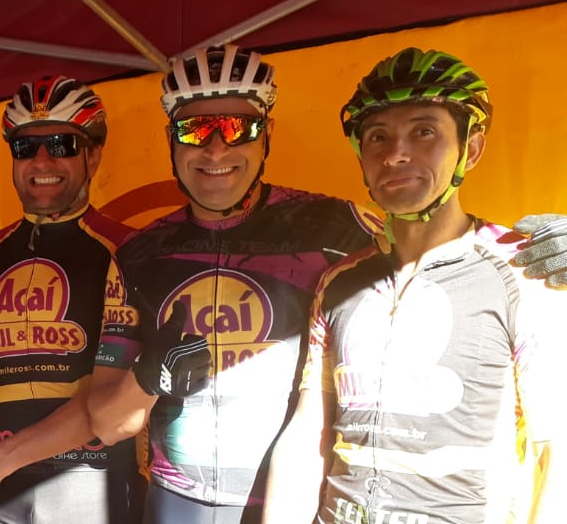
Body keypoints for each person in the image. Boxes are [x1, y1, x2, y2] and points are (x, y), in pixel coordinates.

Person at [263, 47, 567, 524]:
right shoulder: (340, 282)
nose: (396, 154)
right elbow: (308, 434)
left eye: (424, 131)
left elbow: (561, 453)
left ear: (470, 149)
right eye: (378, 136)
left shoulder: (523, 274)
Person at [86, 45, 389, 524]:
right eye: (194, 129)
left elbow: (442, 271)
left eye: (236, 127)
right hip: (176, 502)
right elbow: (105, 422)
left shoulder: (341, 229)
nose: (215, 149)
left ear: (266, 136)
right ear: (171, 141)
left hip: (298, 500)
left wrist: (520, 251)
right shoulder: (138, 255)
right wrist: (147, 378)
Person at [0, 75, 150, 523]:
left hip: (91, 480)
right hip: (0, 484)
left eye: (62, 144)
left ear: (93, 155)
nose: (42, 160)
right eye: (25, 147)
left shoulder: (128, 251)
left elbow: (110, 401)